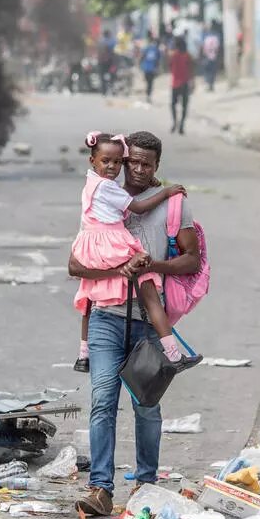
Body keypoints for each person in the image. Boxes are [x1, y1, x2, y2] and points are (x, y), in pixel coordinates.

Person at [67, 131, 205, 517]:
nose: (138, 170)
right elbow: (76, 264)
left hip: (147, 321)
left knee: (147, 406)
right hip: (105, 319)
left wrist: (151, 266)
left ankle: (146, 484)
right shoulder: (106, 199)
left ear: (157, 166)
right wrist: (118, 268)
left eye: (147, 164)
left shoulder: (173, 206)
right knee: (102, 403)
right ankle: (100, 488)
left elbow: (191, 260)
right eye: (133, 163)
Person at [71, 131, 187, 373]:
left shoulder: (92, 181)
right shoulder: (109, 188)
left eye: (117, 161)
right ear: (93, 160)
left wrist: (151, 184)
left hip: (90, 241)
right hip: (112, 240)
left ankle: (84, 354)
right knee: (149, 288)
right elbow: (138, 207)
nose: (113, 166)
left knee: (89, 294)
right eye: (108, 161)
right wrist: (165, 191)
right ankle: (174, 354)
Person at [169, 38, 193, 135]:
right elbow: (191, 68)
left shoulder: (174, 55)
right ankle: (182, 125)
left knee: (173, 104)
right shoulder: (188, 55)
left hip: (175, 83)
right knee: (184, 105)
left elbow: (170, 66)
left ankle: (175, 122)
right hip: (185, 83)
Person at [139, 34, 161, 102]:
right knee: (150, 83)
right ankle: (148, 95)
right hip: (151, 69)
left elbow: (142, 57)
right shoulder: (156, 49)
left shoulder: (146, 48)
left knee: (148, 83)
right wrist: (157, 68)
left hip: (146, 68)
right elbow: (157, 60)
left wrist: (140, 65)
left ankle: (148, 95)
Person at [97, 29, 117, 96]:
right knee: (112, 77)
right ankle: (112, 90)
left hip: (102, 62)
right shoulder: (112, 41)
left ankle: (104, 91)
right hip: (110, 61)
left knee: (103, 77)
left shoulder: (100, 41)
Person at [201, 27, 220, 92]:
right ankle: (211, 85)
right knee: (212, 72)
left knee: (207, 72)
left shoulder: (206, 39)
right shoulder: (216, 38)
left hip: (207, 57)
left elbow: (204, 48)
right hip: (213, 57)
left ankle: (209, 85)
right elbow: (217, 48)